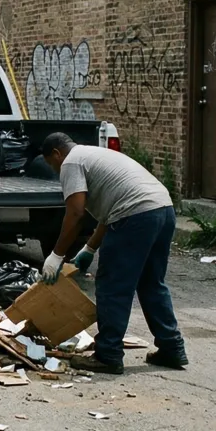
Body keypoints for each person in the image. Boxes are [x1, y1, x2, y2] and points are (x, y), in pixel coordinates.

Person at [39, 132, 186, 375]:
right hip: (163, 209)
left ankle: (108, 355)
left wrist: (56, 256)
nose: (56, 171)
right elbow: (109, 214)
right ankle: (172, 348)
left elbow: (75, 214)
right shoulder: (95, 154)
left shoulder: (71, 162)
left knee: (113, 285)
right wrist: (89, 248)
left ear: (56, 153)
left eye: (52, 165)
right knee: (151, 283)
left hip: (135, 215)